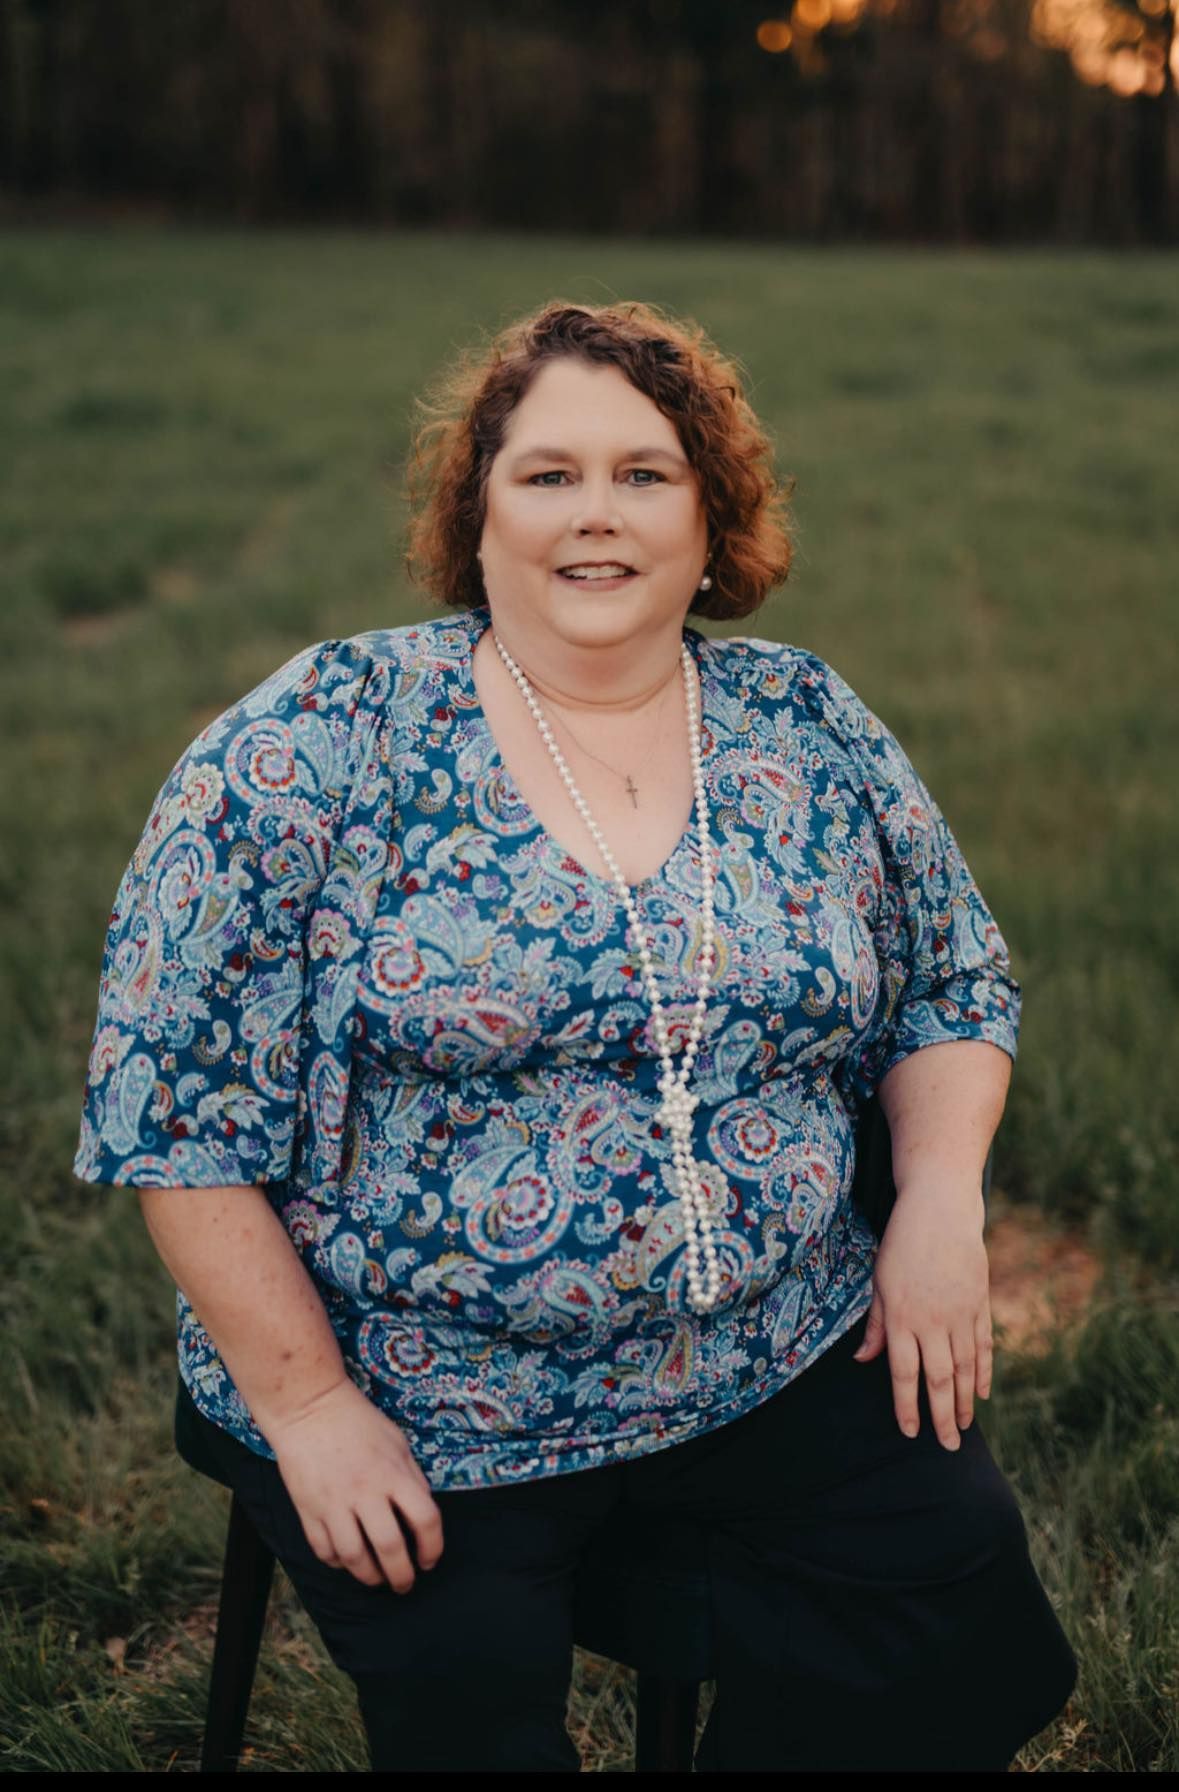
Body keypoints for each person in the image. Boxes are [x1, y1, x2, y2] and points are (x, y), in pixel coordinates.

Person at [74, 298, 1078, 1772]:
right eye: (547, 475)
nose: (593, 516)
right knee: (478, 1728)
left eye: (643, 474)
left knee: (968, 1649)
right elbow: (174, 1110)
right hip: (423, 1382)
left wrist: (937, 1200)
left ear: (710, 519)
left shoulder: (805, 724)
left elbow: (951, 986)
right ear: (475, 513)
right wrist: (310, 1407)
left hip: (777, 1342)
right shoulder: (316, 744)